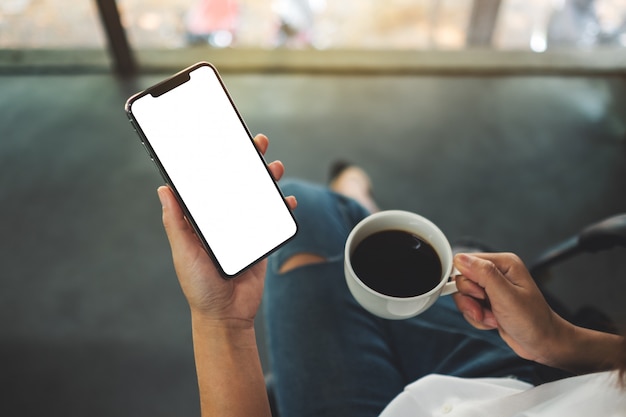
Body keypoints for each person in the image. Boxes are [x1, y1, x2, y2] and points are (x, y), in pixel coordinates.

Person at [156, 134, 626, 417]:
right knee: (310, 208)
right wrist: (557, 341)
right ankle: (361, 203)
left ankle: (358, 199)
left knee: (310, 215)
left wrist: (221, 321)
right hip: (522, 382)